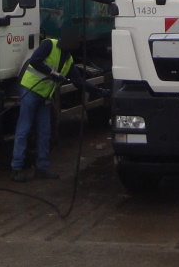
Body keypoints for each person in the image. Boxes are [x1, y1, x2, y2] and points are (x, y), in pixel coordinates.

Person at [11, 25, 108, 182]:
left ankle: (42, 168)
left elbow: (78, 81)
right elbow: (35, 61)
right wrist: (52, 73)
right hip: (31, 91)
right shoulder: (49, 45)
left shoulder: (68, 60)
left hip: (45, 96)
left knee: (45, 132)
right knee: (24, 129)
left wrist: (97, 90)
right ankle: (16, 167)